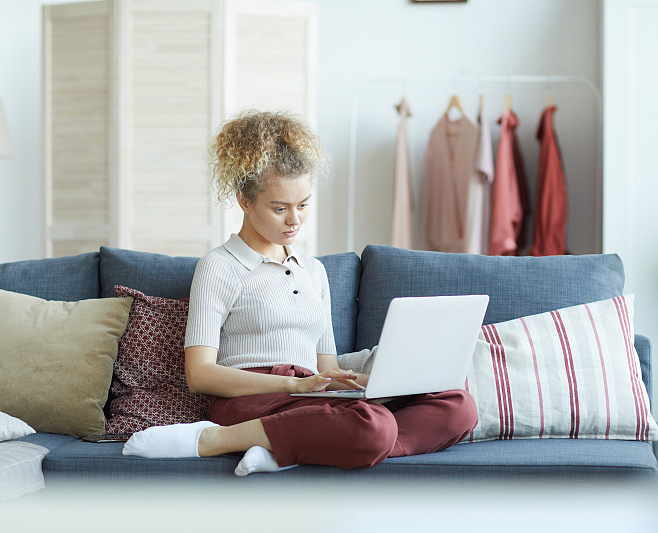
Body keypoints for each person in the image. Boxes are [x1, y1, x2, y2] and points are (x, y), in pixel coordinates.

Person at [123, 110, 478, 476]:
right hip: (251, 399)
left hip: (312, 395)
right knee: (374, 424)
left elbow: (329, 371)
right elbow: (200, 375)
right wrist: (293, 383)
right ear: (244, 199)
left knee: (457, 404)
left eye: (303, 205)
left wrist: (399, 384)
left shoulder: (314, 271)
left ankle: (283, 447)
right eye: (280, 208)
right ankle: (219, 439)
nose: (294, 219)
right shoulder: (219, 266)